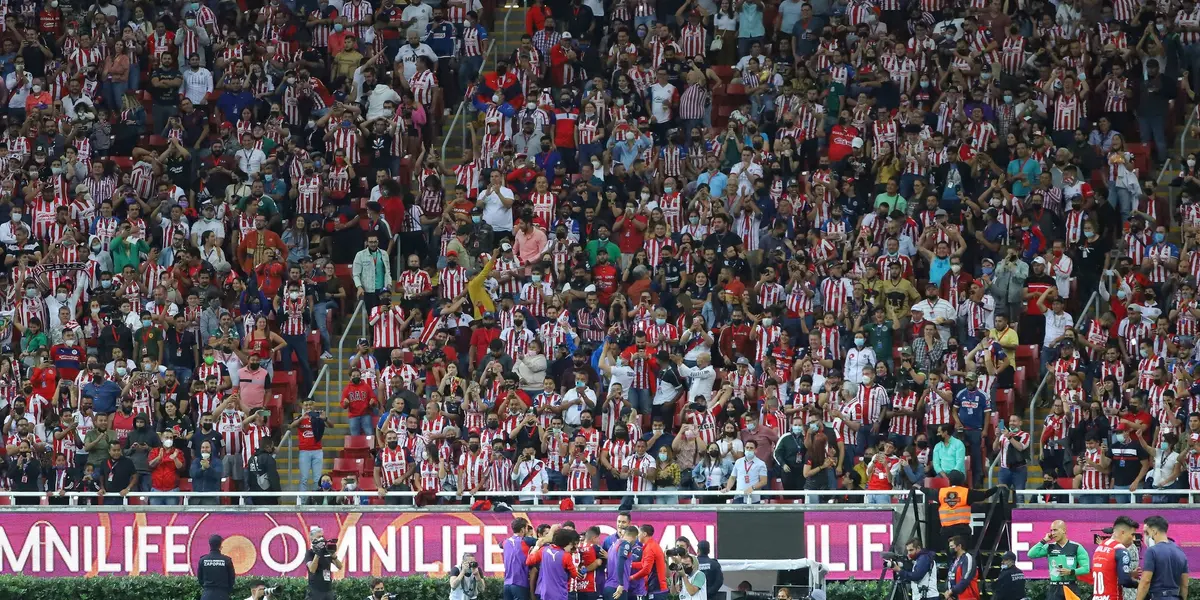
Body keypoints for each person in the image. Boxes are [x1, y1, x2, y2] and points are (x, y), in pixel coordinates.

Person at [1027, 520, 1090, 600]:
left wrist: (1070, 571)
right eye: (1051, 530)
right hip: (1054, 588)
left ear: (1064, 530)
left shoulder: (1076, 547)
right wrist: (1044, 540)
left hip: (1070, 586)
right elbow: (1031, 554)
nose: (1053, 533)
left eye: (1055, 530)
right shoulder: (1049, 547)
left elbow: (1086, 569)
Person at [1135, 516, 1189, 600]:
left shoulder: (1152, 551)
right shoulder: (1180, 552)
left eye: (1146, 532)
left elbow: (1145, 581)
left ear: (1154, 531)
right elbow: (1184, 584)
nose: (1144, 536)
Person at [1092, 516, 1140, 600]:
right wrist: (1140, 584)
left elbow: (1110, 573)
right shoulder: (1121, 550)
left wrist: (1130, 574)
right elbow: (1125, 581)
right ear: (1122, 532)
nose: (1133, 539)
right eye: (1132, 535)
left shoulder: (1100, 547)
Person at [631, 524, 669, 600]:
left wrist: (631, 577)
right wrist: (629, 564)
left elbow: (646, 570)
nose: (637, 535)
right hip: (655, 588)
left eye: (639, 533)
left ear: (644, 534)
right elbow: (643, 564)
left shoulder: (650, 548)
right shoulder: (651, 546)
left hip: (657, 588)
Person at [305, 526, 343, 600]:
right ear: (312, 539)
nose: (322, 539)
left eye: (322, 536)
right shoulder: (309, 553)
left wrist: (333, 555)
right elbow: (312, 569)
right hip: (315, 591)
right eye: (319, 537)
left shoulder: (326, 551)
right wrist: (318, 553)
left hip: (328, 590)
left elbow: (340, 566)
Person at [197, 534, 236, 600]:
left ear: (210, 545)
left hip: (207, 595)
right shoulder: (227, 560)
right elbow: (231, 579)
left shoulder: (203, 560)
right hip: (223, 595)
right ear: (220, 546)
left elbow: (200, 579)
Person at [946, 535, 980, 600]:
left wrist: (952, 591)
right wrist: (948, 592)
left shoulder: (968, 558)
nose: (950, 548)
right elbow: (950, 577)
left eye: (952, 546)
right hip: (955, 597)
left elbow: (965, 578)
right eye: (949, 546)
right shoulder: (954, 560)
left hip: (968, 597)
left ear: (959, 546)